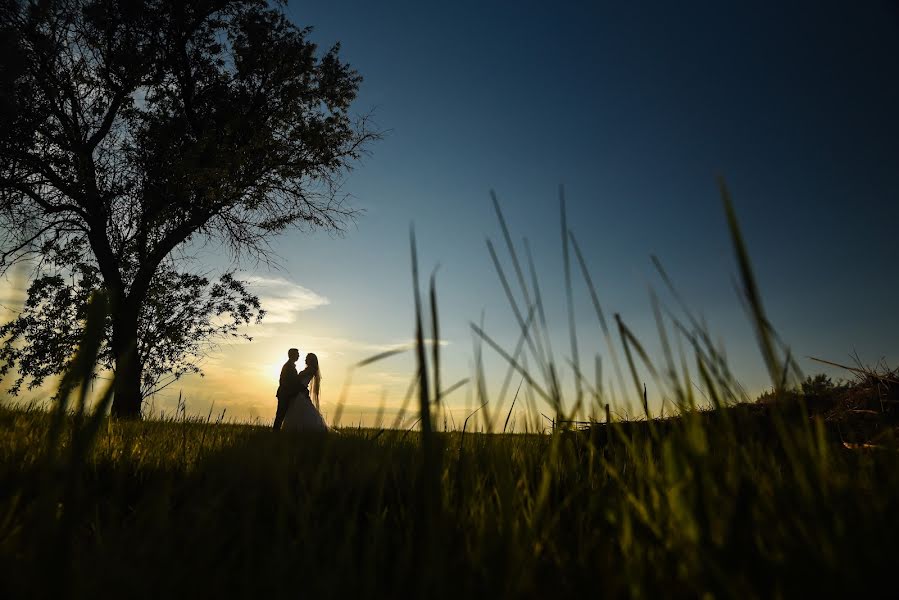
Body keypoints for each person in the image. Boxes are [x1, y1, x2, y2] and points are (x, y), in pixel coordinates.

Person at [281, 352, 329, 432]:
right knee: (299, 412)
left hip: (300, 393)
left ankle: (301, 430)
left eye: (307, 358)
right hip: (300, 392)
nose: (305, 359)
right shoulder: (309, 369)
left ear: (310, 360)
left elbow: (301, 381)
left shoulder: (310, 370)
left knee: (300, 411)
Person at [273, 348, 300, 430]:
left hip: (286, 393)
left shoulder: (290, 365)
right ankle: (275, 430)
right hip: (285, 393)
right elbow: (284, 381)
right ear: (292, 355)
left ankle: (277, 430)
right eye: (297, 354)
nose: (298, 356)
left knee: (283, 413)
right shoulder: (288, 366)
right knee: (281, 413)